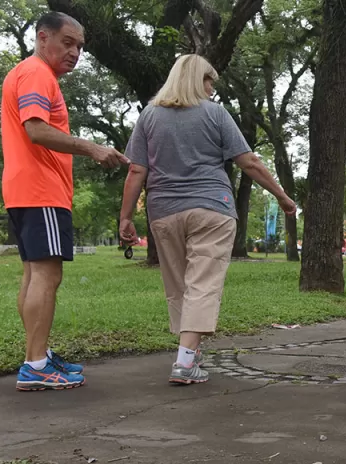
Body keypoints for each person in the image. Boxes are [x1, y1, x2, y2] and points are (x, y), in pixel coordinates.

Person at [119, 54, 296, 385]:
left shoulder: (148, 116)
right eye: (209, 81)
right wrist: (282, 195)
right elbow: (249, 162)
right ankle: (185, 362)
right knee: (203, 285)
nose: (212, 89)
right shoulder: (215, 114)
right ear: (194, 80)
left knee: (179, 286)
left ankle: (191, 352)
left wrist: (126, 217)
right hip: (212, 208)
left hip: (164, 212)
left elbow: (136, 169)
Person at [2, 12, 129, 391]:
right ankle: (36, 365)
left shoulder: (27, 73)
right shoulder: (38, 74)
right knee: (47, 275)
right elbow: (37, 130)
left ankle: (35, 356)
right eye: (68, 42)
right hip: (41, 191)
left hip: (24, 190)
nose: (75, 52)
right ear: (43, 37)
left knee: (32, 274)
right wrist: (93, 148)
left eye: (80, 47)